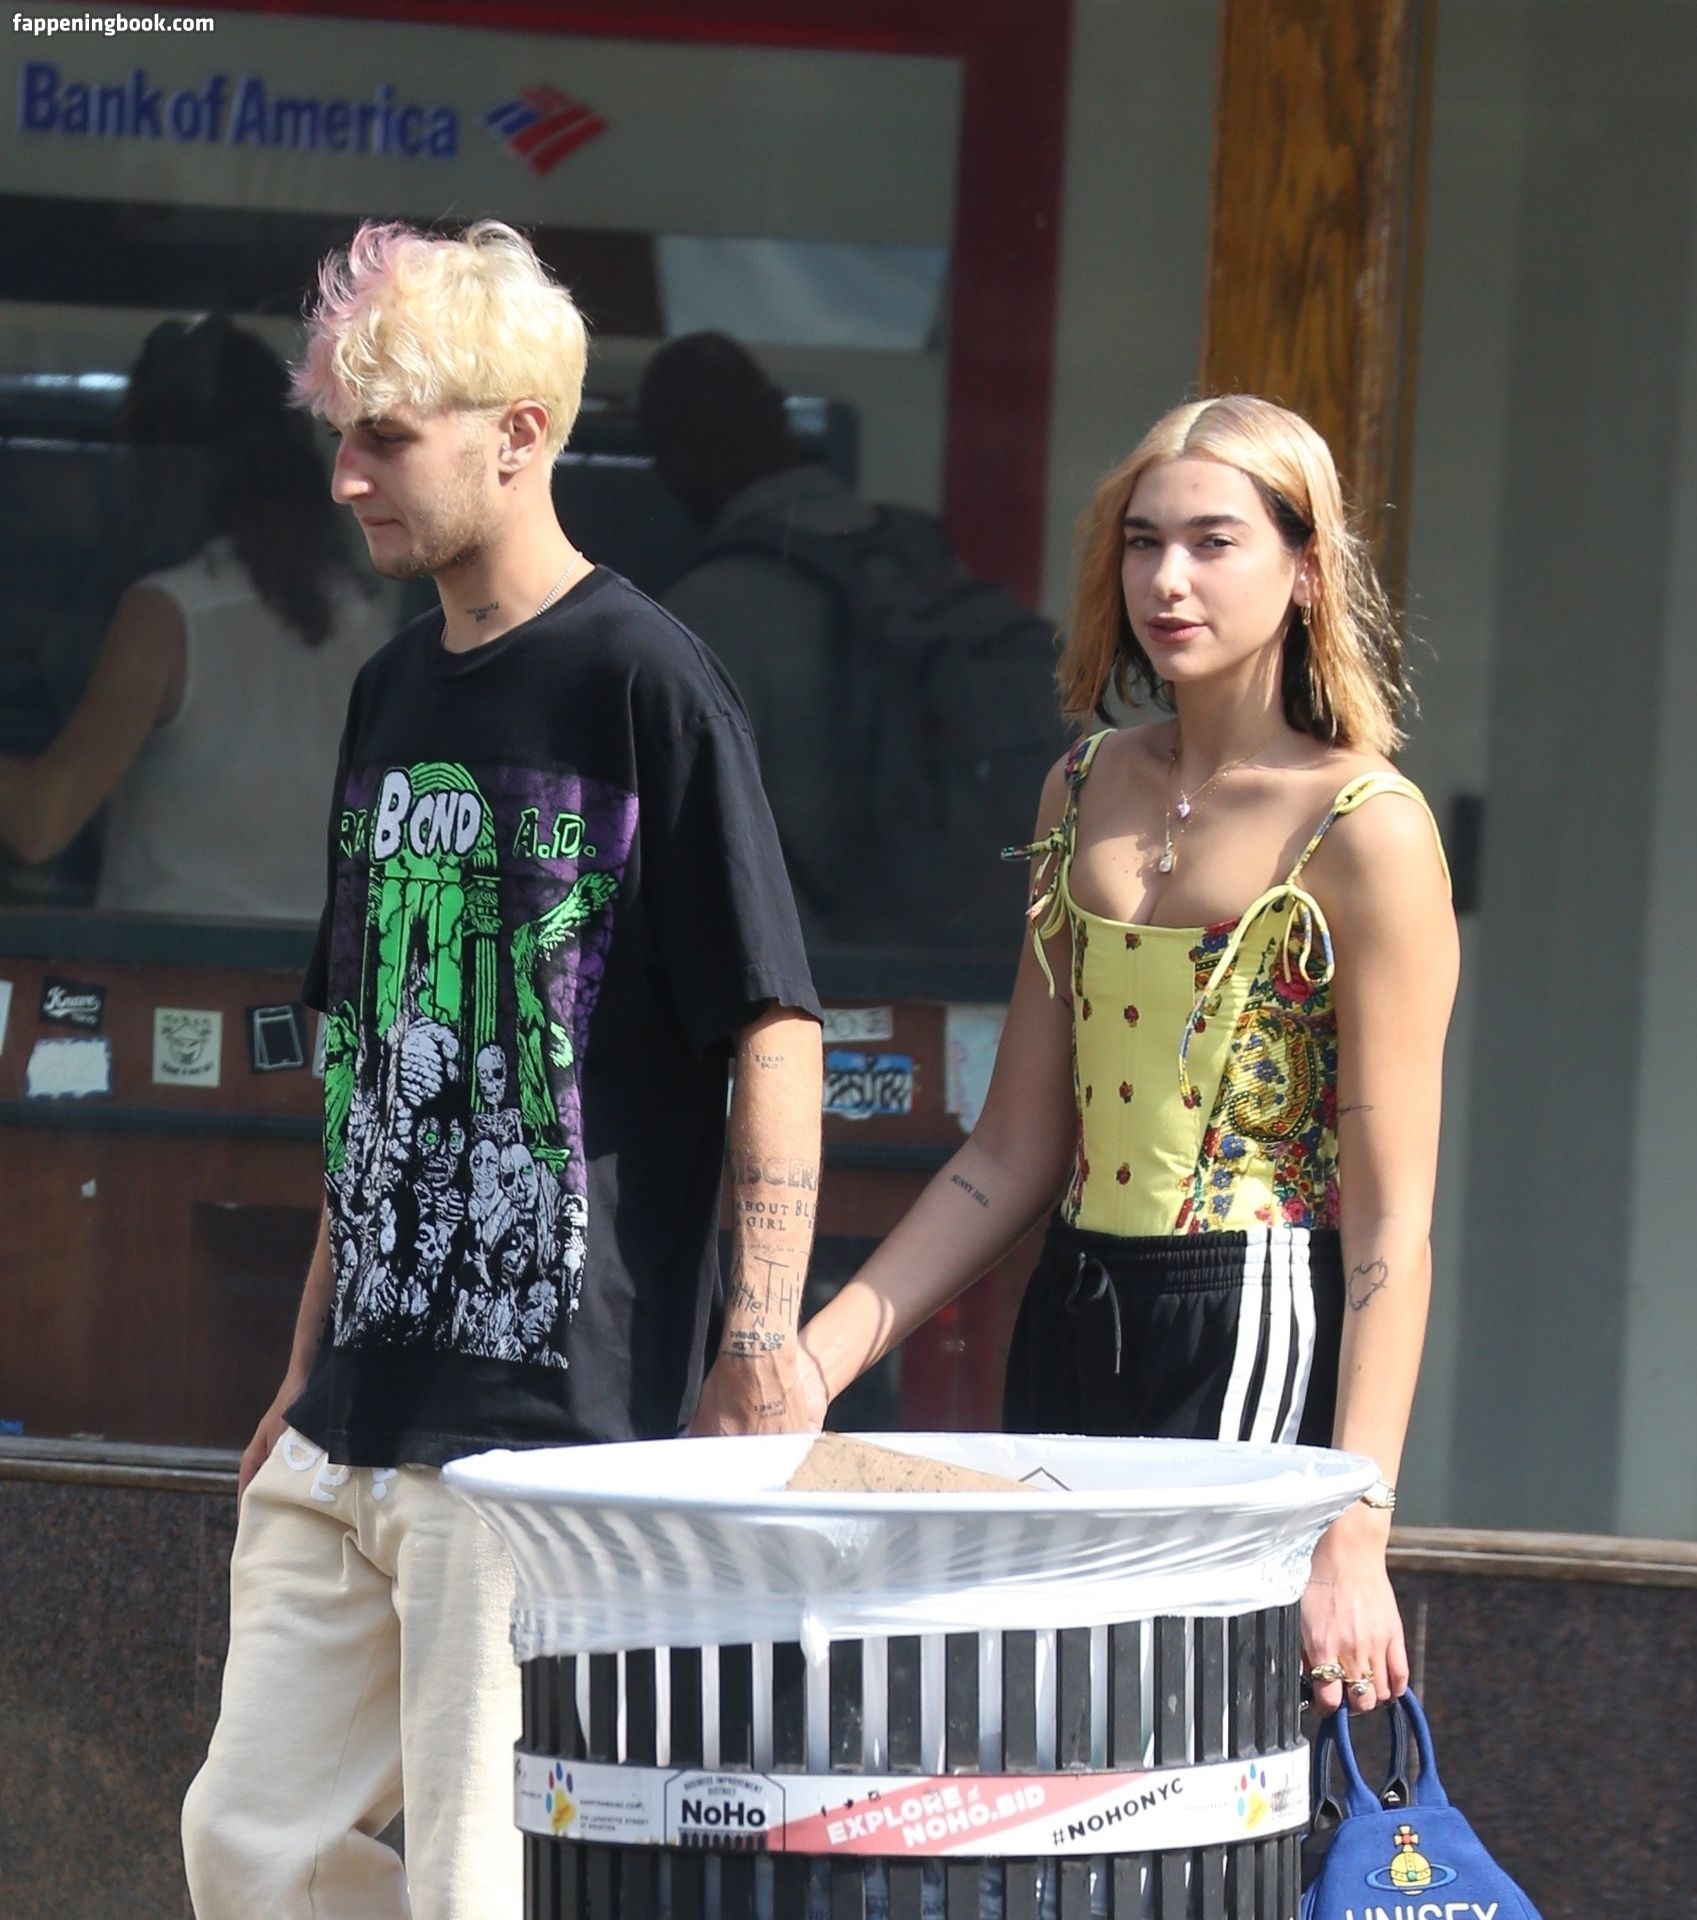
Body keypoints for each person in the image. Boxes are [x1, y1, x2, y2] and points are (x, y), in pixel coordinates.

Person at [180, 221, 824, 1920]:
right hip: (356, 1400)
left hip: (541, 1422)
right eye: (341, 435)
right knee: (246, 1844)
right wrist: (306, 1354)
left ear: (518, 434)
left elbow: (770, 1021)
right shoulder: (390, 685)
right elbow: (371, 1043)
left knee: (479, 1882)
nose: (345, 479)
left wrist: (760, 1340)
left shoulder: (644, 675)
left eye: (384, 438)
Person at [798, 394, 1458, 1723]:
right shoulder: (1080, 785)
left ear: (1303, 567)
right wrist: (811, 1364)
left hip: (1251, 1307)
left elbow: (1391, 1220)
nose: (1166, 579)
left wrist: (1355, 1527)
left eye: (1213, 542)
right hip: (1072, 1297)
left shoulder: (1364, 824)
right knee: (1051, 1727)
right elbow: (1008, 1154)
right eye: (1142, 541)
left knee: (1182, 1734)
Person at [0, 315, 385, 918]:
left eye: (136, 450)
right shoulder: (363, 619)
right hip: (321, 966)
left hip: (176, 966)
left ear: (174, 464)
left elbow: (41, 823)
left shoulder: (167, 617)